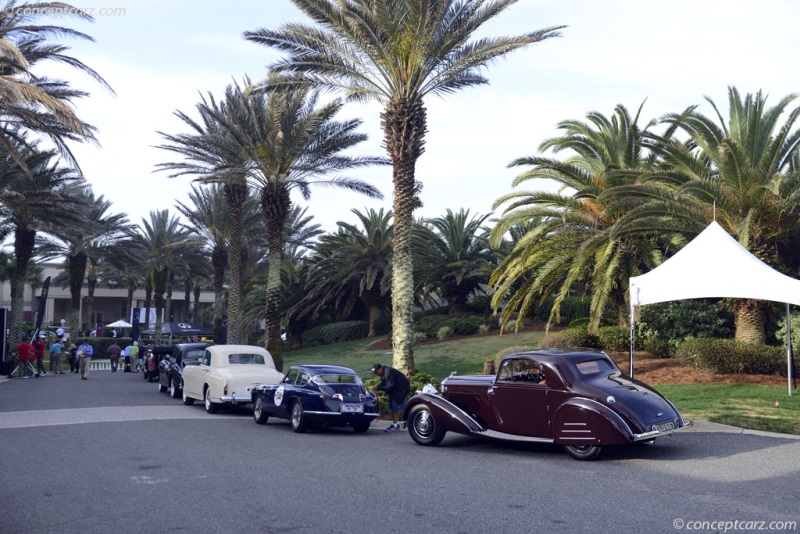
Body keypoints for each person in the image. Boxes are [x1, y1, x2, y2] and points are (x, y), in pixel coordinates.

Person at [371, 363, 410, 433]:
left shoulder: (388, 372)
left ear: (380, 369)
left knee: (395, 407)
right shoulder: (383, 373)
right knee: (392, 406)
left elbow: (390, 387)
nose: (376, 374)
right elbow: (384, 384)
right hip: (395, 390)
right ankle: (395, 424)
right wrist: (378, 386)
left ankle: (397, 425)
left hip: (401, 390)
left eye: (376, 372)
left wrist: (378, 387)